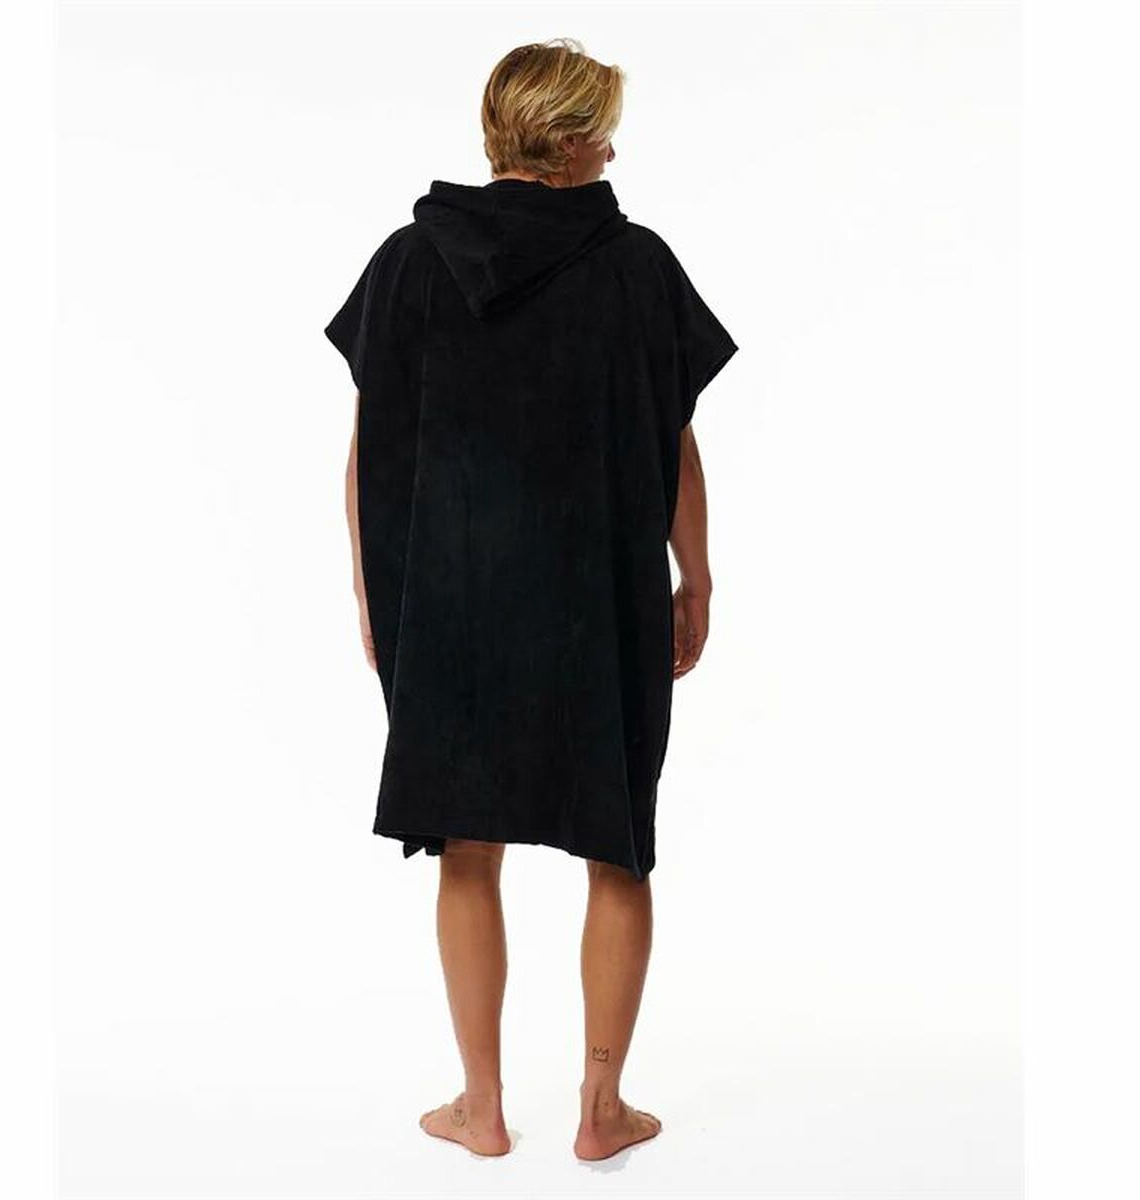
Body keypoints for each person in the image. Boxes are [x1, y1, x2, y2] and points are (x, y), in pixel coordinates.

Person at [324, 38, 738, 1162]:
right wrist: (696, 577)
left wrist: (372, 589)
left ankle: (481, 1106)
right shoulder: (636, 266)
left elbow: (370, 446)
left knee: (467, 847)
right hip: (602, 600)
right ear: (566, 141)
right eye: (603, 132)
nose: (614, 151)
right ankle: (602, 1110)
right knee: (619, 848)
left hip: (450, 603)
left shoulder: (411, 261)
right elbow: (673, 443)